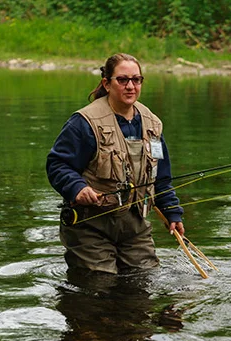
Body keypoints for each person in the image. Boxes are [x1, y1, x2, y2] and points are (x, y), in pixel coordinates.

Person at [46, 53, 184, 274]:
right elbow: (58, 165)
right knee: (100, 284)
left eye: (136, 80)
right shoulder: (84, 123)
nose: (130, 86)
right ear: (107, 84)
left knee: (145, 280)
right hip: (89, 227)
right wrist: (77, 188)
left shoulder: (152, 124)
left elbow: (161, 176)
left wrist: (172, 213)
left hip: (134, 227)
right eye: (122, 80)